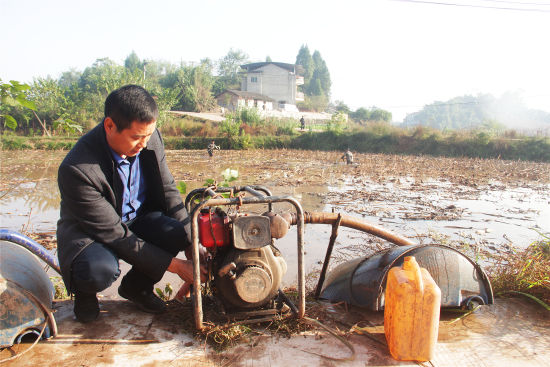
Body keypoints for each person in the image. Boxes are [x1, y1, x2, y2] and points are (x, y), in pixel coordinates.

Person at [57, 85, 206, 323]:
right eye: (136, 137)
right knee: (98, 270)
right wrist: (176, 266)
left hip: (137, 218)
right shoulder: (78, 169)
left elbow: (168, 189)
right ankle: (85, 294)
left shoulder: (149, 138)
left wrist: (191, 242)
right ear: (109, 126)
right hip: (94, 232)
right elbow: (116, 234)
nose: (144, 144)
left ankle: (137, 288)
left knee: (177, 233)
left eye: (148, 135)